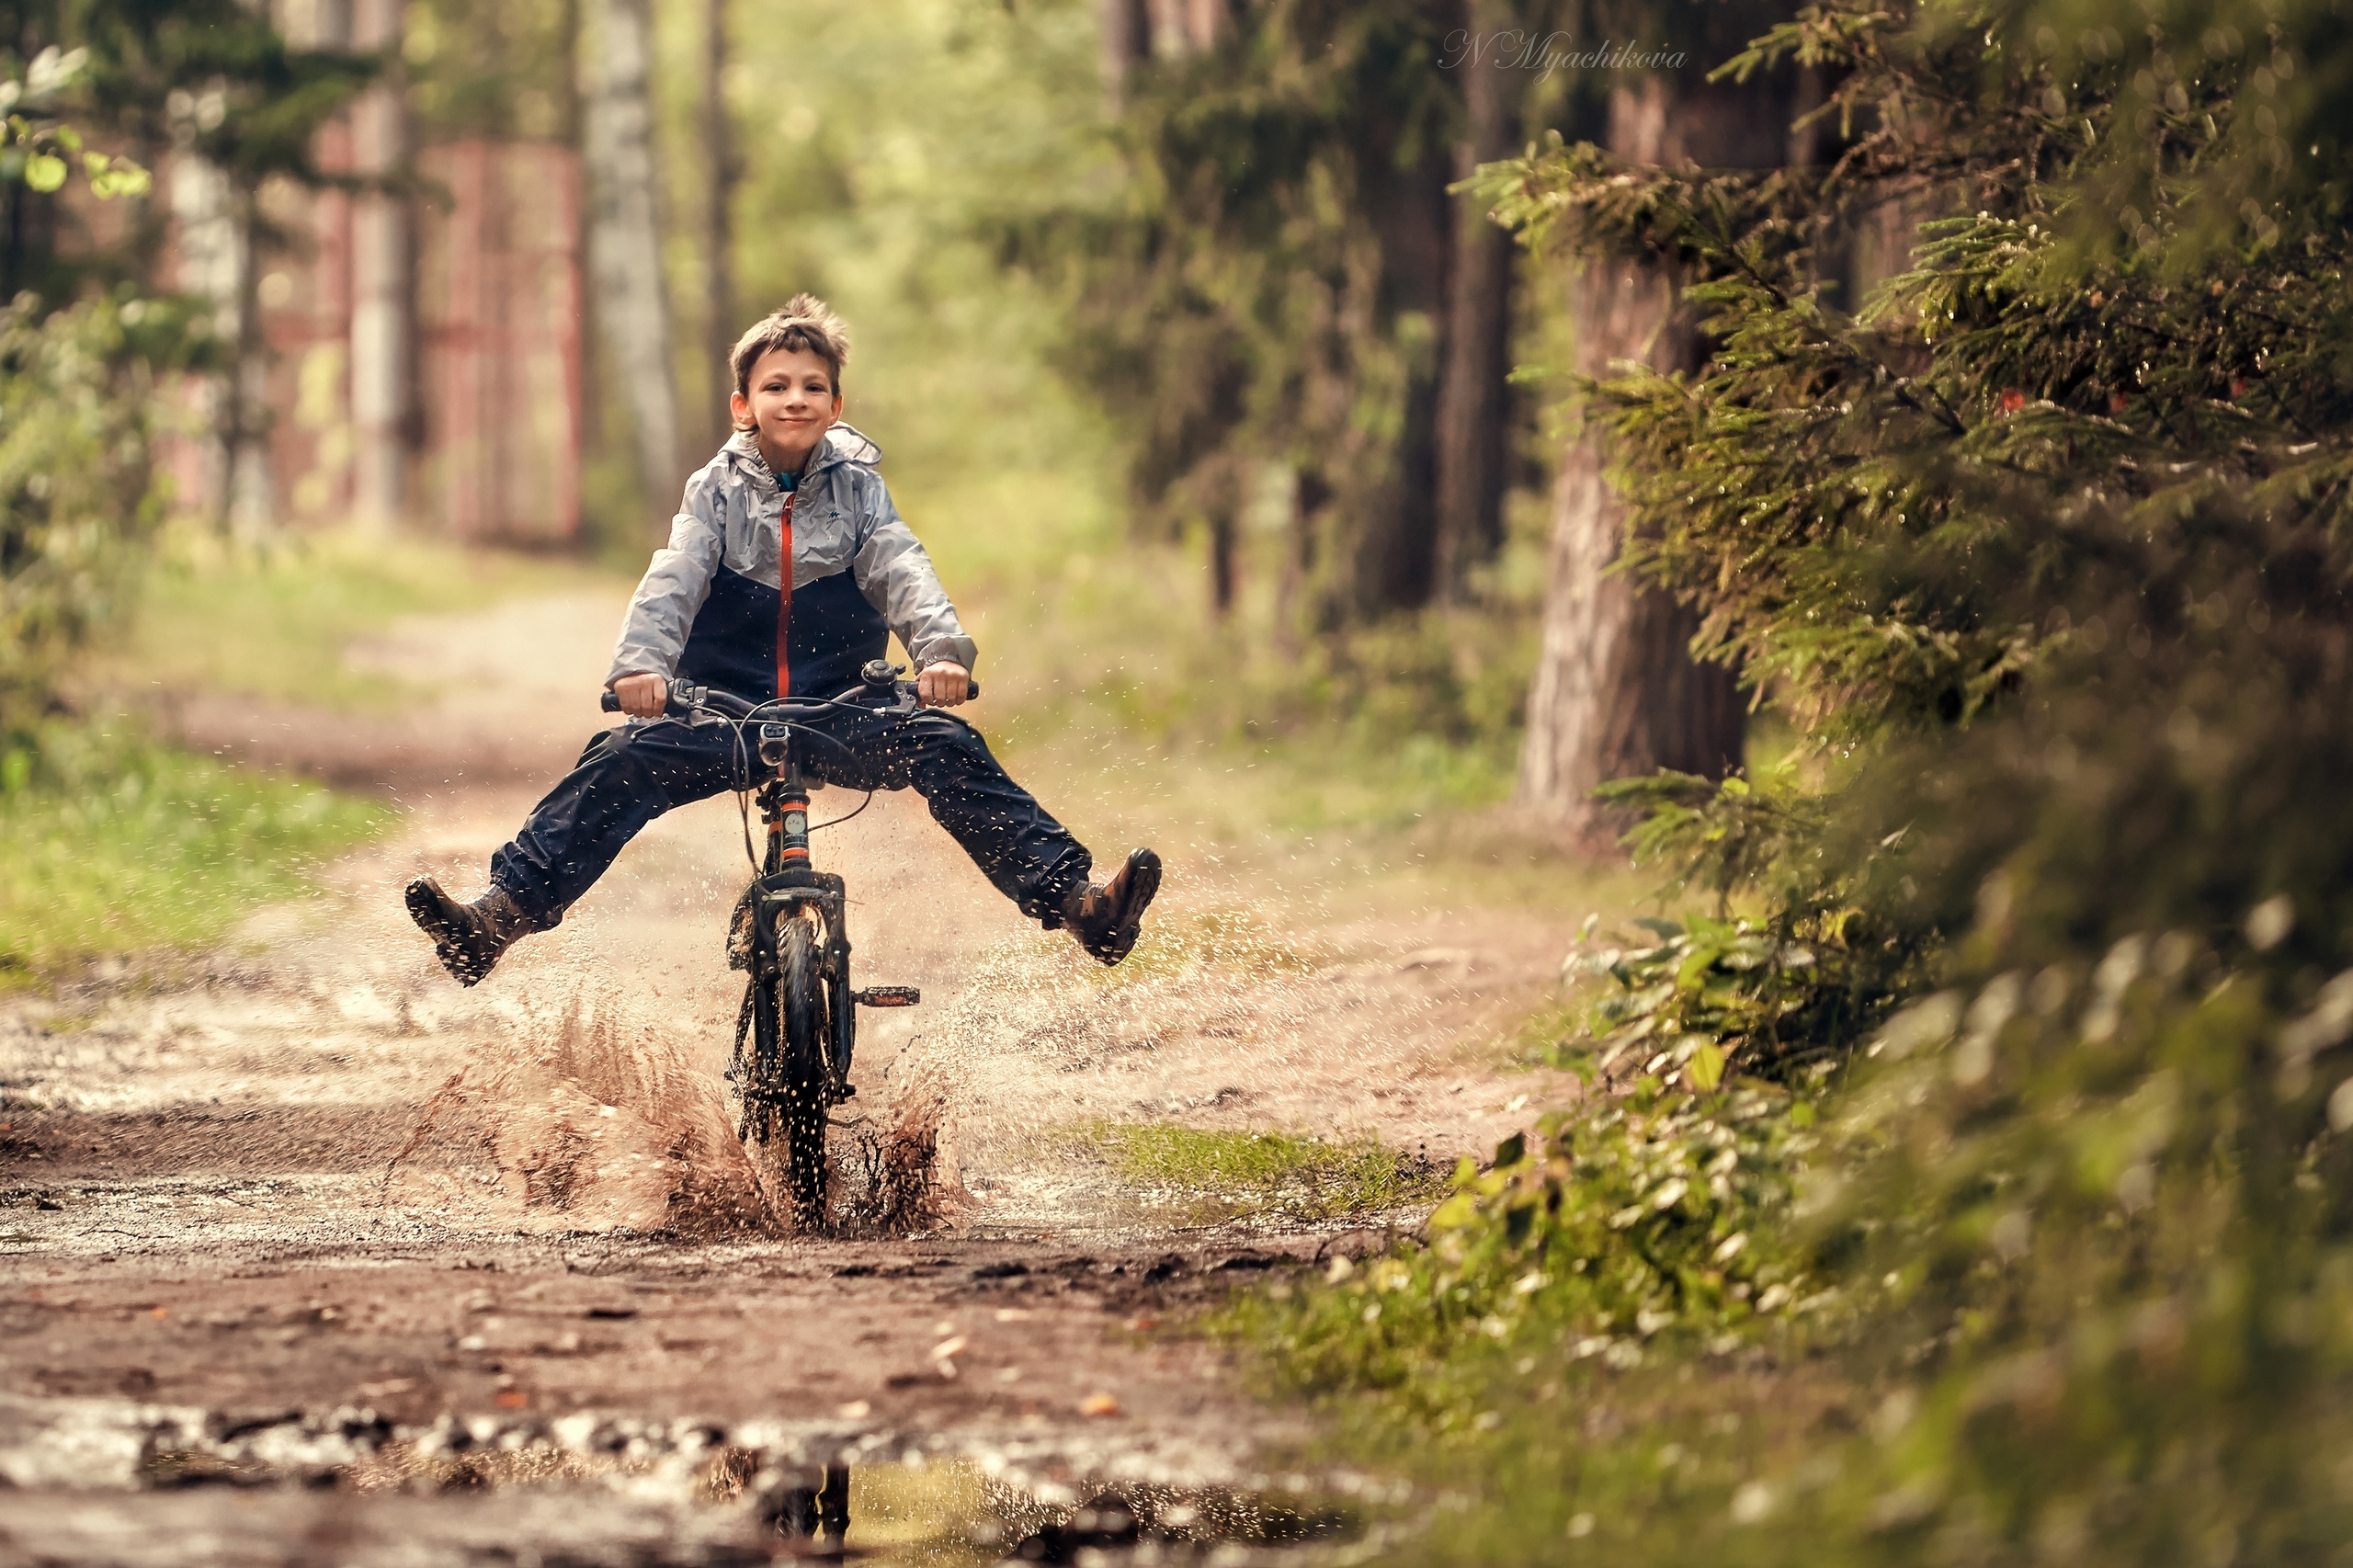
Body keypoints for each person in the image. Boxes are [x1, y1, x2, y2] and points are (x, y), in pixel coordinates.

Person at [404, 294, 1160, 985]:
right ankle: (494, 920)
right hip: (720, 713)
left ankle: (1080, 908)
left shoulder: (862, 492)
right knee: (621, 759)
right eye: (775, 385)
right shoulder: (714, 492)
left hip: (844, 706)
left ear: (836, 404)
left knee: (947, 745)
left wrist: (939, 656)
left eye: (810, 385)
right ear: (743, 405)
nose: (793, 397)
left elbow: (904, 570)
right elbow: (674, 579)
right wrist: (643, 667)